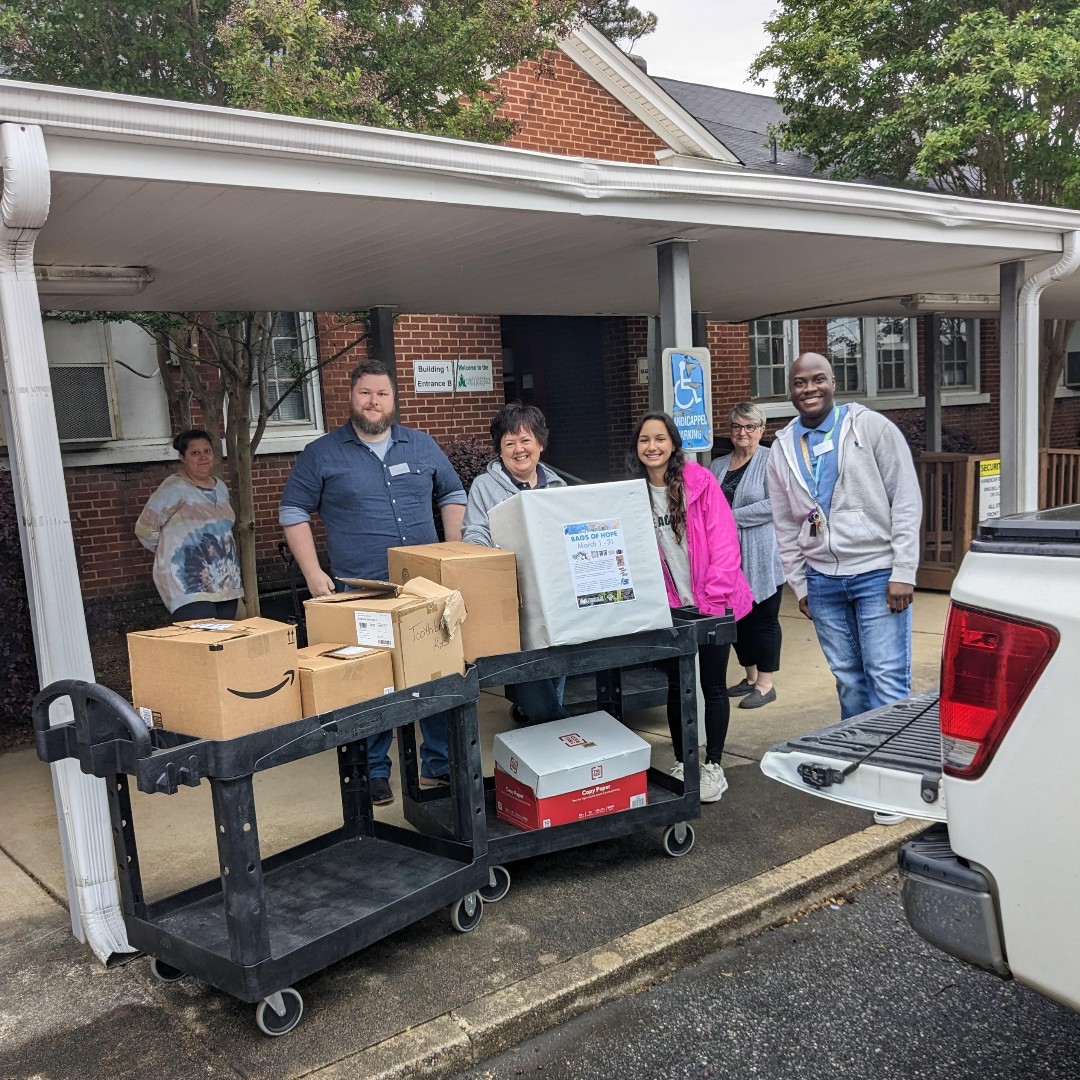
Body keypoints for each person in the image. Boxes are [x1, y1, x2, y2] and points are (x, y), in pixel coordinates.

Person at [279, 359, 467, 806]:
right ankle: (373, 772)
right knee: (369, 684)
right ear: (351, 397)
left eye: (382, 393)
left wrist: (457, 554)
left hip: (424, 589)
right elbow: (292, 512)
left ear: (393, 398)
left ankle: (438, 764)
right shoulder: (322, 453)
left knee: (435, 674)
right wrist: (313, 572)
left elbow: (454, 494)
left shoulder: (420, 445)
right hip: (360, 592)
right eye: (365, 393)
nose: (374, 401)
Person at [766, 352, 922, 723]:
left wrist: (903, 570)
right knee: (849, 680)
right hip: (823, 581)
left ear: (833, 382)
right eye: (800, 382)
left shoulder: (870, 428)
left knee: (886, 679)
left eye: (818, 379)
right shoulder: (782, 447)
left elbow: (905, 498)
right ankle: (858, 759)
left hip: (877, 575)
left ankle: (894, 769)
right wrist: (801, 586)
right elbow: (786, 525)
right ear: (791, 390)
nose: (809, 389)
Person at [632, 411, 753, 803]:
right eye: (644, 440)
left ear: (673, 443)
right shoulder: (632, 493)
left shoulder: (699, 483)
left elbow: (723, 543)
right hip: (670, 606)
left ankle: (714, 764)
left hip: (711, 601)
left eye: (660, 438)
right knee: (676, 685)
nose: (652, 447)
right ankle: (686, 761)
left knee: (712, 684)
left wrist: (714, 601)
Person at [463, 402, 568, 725]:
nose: (518, 449)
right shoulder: (485, 486)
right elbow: (473, 535)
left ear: (540, 444)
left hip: (554, 595)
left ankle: (541, 722)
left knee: (557, 661)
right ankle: (555, 728)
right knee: (529, 667)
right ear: (499, 449)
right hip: (511, 596)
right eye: (509, 443)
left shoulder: (557, 487)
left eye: (525, 441)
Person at [710, 403, 786, 710]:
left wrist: (728, 517)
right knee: (737, 618)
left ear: (761, 430)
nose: (743, 433)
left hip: (762, 552)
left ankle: (766, 684)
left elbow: (777, 504)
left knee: (763, 619)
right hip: (727, 556)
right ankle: (751, 677)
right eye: (737, 427)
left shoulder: (772, 461)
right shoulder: (718, 464)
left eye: (750, 427)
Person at [135, 429, 244, 620]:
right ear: (182, 457)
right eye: (195, 453)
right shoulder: (174, 488)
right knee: (202, 643)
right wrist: (172, 551)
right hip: (189, 585)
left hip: (226, 585)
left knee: (225, 644)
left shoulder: (220, 487)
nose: (203, 457)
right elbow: (145, 530)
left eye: (207, 451)